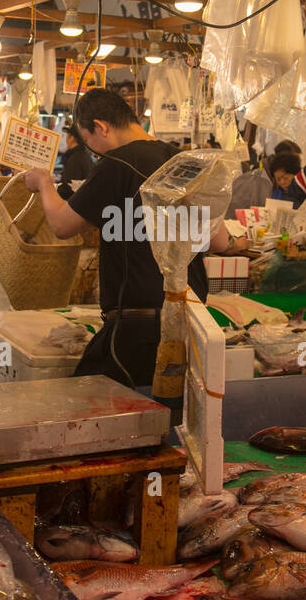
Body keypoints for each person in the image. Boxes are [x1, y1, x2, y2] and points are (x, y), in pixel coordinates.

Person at [22, 89, 241, 387]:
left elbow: (61, 225)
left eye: (91, 143)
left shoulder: (116, 165)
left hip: (138, 331)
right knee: (171, 419)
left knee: (94, 407)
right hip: (190, 326)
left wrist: (44, 183)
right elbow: (218, 242)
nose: (95, 152)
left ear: (101, 127)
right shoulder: (185, 162)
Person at [57, 123, 94, 199]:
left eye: (67, 136)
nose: (66, 139)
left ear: (72, 138)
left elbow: (67, 188)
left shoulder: (75, 158)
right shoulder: (83, 154)